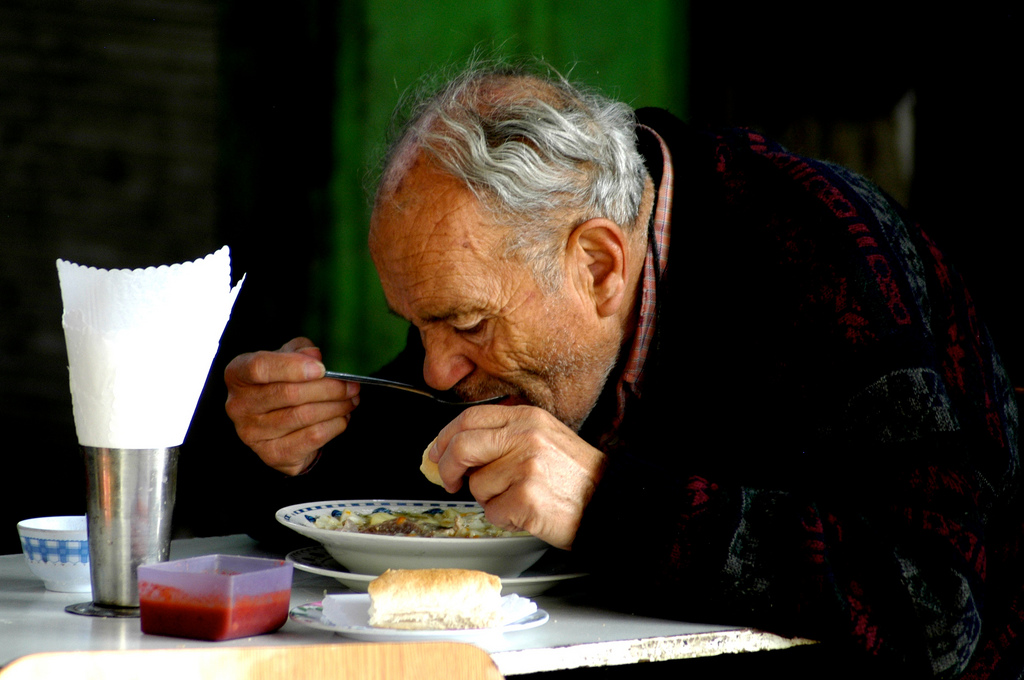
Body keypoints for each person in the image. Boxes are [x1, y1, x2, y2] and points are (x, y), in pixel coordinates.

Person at [224, 61, 1022, 678]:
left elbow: (940, 609)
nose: (435, 370)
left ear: (601, 265)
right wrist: (306, 445)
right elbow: (431, 489)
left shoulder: (824, 263)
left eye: (467, 323)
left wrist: (610, 502)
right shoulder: (526, 259)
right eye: (418, 325)